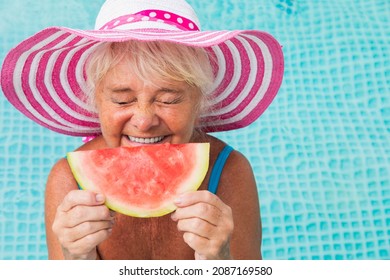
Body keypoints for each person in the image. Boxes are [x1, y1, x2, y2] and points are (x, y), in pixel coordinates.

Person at [0, 0, 284, 260]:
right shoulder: (69, 179)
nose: (144, 120)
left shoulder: (229, 171)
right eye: (122, 100)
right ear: (96, 100)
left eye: (168, 99)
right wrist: (77, 260)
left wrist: (219, 261)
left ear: (199, 102)